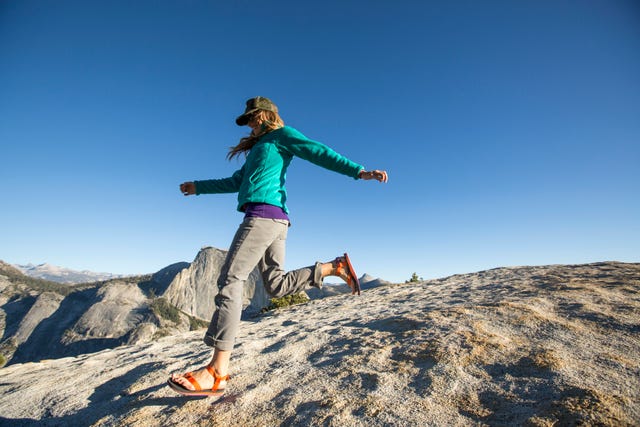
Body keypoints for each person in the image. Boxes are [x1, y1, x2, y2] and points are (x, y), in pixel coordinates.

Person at [168, 96, 388, 397]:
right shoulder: (258, 149)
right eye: (247, 120)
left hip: (261, 217)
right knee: (275, 285)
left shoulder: (282, 136)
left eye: (254, 117)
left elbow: (317, 151)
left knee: (230, 281)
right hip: (276, 220)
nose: (251, 124)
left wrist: (359, 171)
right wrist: (198, 187)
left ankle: (217, 370)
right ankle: (333, 267)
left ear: (268, 115)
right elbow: (236, 182)